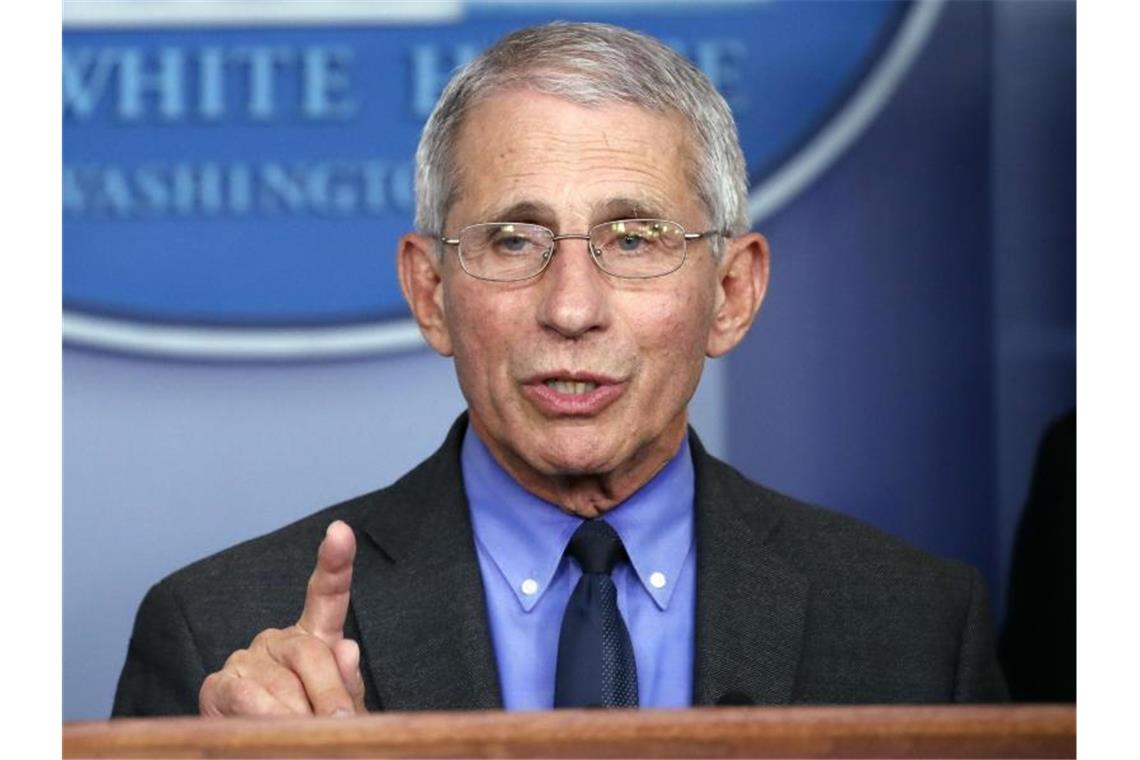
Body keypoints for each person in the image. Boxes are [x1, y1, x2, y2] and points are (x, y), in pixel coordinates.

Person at [112, 21, 1008, 717]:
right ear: (431, 293)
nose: (571, 307)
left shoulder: (918, 630)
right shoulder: (220, 640)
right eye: (512, 239)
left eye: (635, 237)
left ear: (732, 293)